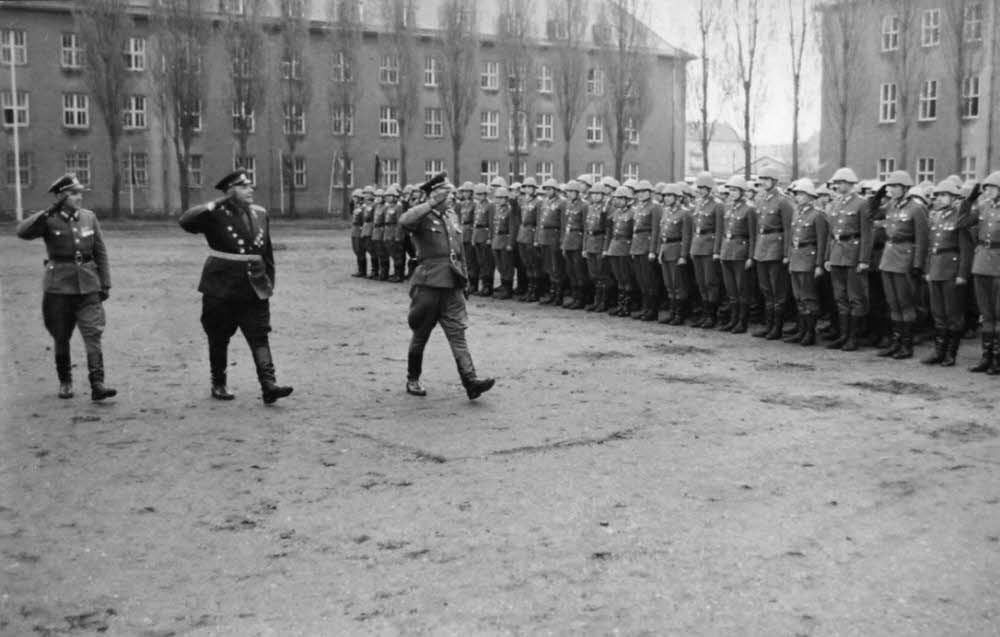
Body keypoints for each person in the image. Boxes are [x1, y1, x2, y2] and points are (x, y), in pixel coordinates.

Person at [179, 169, 293, 404]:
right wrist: (216, 203)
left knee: (259, 335)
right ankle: (218, 383)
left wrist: (269, 283)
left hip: (254, 286)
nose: (250, 190)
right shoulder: (215, 214)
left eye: (250, 186)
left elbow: (267, 253)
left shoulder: (261, 213)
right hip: (221, 286)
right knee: (218, 337)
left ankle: (269, 385)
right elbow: (186, 221)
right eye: (243, 187)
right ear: (230, 192)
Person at [16, 173, 117, 401]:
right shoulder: (48, 220)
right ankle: (65, 381)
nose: (79, 197)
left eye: (80, 192)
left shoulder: (89, 218)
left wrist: (106, 283)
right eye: (73, 194)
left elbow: (100, 251)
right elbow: (22, 232)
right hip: (58, 289)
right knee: (61, 336)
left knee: (93, 333)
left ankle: (97, 383)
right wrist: (47, 212)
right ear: (61, 197)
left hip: (89, 286)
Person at [399, 173, 495, 399]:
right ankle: (413, 379)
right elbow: (404, 221)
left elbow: (458, 251)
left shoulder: (451, 216)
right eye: (448, 194)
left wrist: (465, 281)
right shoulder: (423, 216)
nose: (452, 198)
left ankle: (470, 381)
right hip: (429, 285)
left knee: (458, 334)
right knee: (421, 334)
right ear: (436, 196)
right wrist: (430, 203)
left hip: (452, 284)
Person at [876, 172, 929, 360]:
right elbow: (870, 213)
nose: (889, 189)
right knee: (893, 303)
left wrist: (918, 264)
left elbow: (923, 239)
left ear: (905, 188)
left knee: (905, 303)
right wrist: (877, 196)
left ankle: (907, 345)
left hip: (905, 258)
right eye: (888, 186)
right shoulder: (890, 205)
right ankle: (896, 342)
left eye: (893, 186)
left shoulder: (916, 208)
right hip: (889, 257)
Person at [922, 179, 971, 366]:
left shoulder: (959, 217)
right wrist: (928, 269)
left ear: (953, 197)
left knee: (953, 314)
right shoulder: (935, 216)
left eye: (944, 195)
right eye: (938, 195)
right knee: (938, 313)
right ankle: (939, 351)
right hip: (935, 268)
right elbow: (930, 247)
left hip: (951, 269)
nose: (940, 199)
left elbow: (966, 249)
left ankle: (951, 353)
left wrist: (962, 274)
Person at [824, 167, 873, 351]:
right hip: (837, 253)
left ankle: (853, 337)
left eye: (841, 182)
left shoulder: (862, 203)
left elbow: (867, 234)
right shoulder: (835, 204)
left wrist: (864, 260)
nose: (837, 186)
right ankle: (843, 335)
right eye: (836, 183)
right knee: (840, 297)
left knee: (855, 297)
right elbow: (831, 233)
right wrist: (828, 256)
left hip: (853, 253)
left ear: (850, 184)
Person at [959, 171, 1000, 374]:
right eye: (986, 188)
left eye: (992, 188)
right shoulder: (982, 206)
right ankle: (986, 357)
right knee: (986, 313)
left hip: (998, 264)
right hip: (982, 262)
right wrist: (969, 200)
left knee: (998, 313)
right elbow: (962, 222)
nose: (987, 191)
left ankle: (997, 359)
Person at [785, 179, 829, 346]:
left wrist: (819, 264)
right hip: (797, 257)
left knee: (809, 297)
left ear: (811, 197)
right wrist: (789, 258)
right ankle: (802, 331)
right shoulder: (798, 213)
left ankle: (810, 333)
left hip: (808, 258)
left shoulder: (817, 215)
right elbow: (792, 238)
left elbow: (821, 241)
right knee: (798, 297)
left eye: (802, 194)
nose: (799, 197)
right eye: (797, 194)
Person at [752, 166, 794, 339]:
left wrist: (786, 254)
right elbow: (757, 228)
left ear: (775, 181)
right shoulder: (760, 199)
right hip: (762, 247)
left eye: (767, 179)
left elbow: (788, 229)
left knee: (778, 289)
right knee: (765, 288)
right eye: (761, 179)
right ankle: (769, 325)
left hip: (776, 247)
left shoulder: (783, 201)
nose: (763, 182)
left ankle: (777, 327)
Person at [716, 175, 757, 334]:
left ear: (742, 191)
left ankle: (742, 322)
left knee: (742, 289)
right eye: (730, 190)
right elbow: (723, 231)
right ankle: (733, 320)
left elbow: (753, 235)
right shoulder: (728, 207)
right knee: (731, 290)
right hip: (727, 250)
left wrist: (750, 256)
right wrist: (720, 251)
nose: (732, 193)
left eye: (735, 190)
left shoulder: (749, 208)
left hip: (741, 251)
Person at [655, 183, 693, 325]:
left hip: (676, 250)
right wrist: (660, 252)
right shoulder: (666, 212)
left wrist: (683, 255)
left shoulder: (685, 213)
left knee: (678, 285)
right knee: (669, 284)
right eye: (665, 196)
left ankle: (680, 314)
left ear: (678, 198)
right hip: (665, 250)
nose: (666, 198)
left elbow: (686, 236)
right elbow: (661, 234)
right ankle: (672, 312)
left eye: (670, 196)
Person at [690, 172, 725, 327]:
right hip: (697, 246)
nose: (701, 190)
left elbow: (719, 230)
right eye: (699, 188)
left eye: (704, 188)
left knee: (711, 282)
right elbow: (694, 228)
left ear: (710, 188)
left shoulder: (717, 204)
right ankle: (704, 314)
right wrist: (692, 247)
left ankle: (712, 315)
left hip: (709, 247)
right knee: (700, 282)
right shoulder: (698, 204)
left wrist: (717, 251)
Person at [631, 180, 663, 321]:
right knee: (641, 280)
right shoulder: (638, 207)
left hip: (647, 246)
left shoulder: (655, 207)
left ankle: (652, 310)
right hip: (638, 246)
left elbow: (656, 230)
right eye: (638, 192)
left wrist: (653, 250)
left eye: (644, 192)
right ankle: (645, 308)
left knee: (650, 280)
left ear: (650, 193)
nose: (640, 194)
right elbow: (635, 230)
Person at [604, 186, 635, 317]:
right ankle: (620, 305)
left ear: (627, 200)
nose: (617, 201)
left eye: (620, 198)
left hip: (625, 247)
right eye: (616, 198)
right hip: (614, 246)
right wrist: (607, 204)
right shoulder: (616, 213)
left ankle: (627, 306)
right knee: (619, 278)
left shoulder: (633, 213)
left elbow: (634, 233)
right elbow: (606, 224)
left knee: (626, 277)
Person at [560, 181, 589, 309]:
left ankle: (582, 298)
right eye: (568, 192)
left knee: (579, 271)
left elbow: (586, 227)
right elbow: (564, 225)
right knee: (570, 271)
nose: (569, 194)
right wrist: (563, 243)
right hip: (568, 240)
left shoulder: (584, 206)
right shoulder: (567, 205)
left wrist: (584, 246)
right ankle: (575, 296)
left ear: (578, 193)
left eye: (572, 192)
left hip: (578, 240)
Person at [490, 187, 516, 299]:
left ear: (506, 199)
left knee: (507, 266)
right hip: (497, 240)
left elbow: (512, 228)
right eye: (497, 198)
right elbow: (493, 226)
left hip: (505, 239)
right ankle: (503, 285)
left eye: (501, 198)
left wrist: (510, 243)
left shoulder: (510, 210)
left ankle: (508, 289)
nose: (499, 200)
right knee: (500, 266)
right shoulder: (497, 210)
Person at [349, 188, 367, 277]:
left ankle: (362, 271)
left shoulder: (363, 207)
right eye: (353, 197)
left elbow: (363, 220)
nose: (353, 199)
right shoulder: (356, 206)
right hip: (354, 230)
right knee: (356, 249)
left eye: (355, 197)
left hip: (359, 231)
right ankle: (360, 269)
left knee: (360, 250)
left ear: (360, 197)